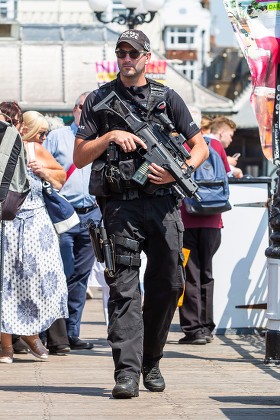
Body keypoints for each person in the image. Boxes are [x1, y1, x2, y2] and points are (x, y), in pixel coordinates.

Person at [73, 29, 208, 399]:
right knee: (123, 290)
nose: (127, 58)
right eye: (121, 52)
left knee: (170, 284)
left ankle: (152, 359)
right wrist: (110, 136)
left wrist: (180, 171)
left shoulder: (167, 97)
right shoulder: (100, 100)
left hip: (164, 204)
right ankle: (127, 373)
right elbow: (80, 157)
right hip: (120, 208)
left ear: (148, 56)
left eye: (134, 52)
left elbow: (200, 147)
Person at [0, 105, 68, 364]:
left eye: (44, 134)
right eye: (40, 133)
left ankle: (31, 333)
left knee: (40, 281)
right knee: (5, 284)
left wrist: (43, 172)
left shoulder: (33, 150)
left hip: (36, 227)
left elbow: (61, 178)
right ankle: (6, 344)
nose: (43, 138)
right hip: (6, 224)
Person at [43, 92, 101, 350]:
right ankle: (51, 335)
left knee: (80, 277)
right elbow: (40, 173)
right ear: (74, 109)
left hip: (91, 213)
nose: (87, 111)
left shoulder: (101, 139)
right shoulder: (57, 137)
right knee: (60, 274)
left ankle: (71, 332)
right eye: (82, 106)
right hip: (63, 214)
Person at [178, 113, 231, 345]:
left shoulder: (178, 144)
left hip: (186, 219)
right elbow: (227, 174)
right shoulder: (216, 144)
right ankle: (207, 327)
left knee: (189, 275)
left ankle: (193, 329)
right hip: (213, 219)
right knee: (207, 273)